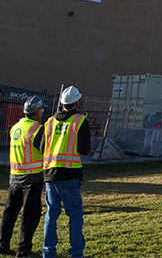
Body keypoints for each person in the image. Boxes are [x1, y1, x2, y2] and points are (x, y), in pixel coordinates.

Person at [42, 86, 90, 258]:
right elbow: (84, 149)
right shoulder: (80, 120)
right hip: (70, 175)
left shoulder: (49, 122)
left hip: (50, 174)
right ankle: (76, 253)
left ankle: (48, 252)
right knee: (75, 215)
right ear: (77, 103)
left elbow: (42, 147)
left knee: (51, 214)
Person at [1, 96, 46, 258]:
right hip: (32, 178)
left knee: (10, 212)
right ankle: (23, 250)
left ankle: (2, 245)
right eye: (41, 110)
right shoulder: (37, 129)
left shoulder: (16, 127)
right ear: (37, 112)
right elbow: (45, 151)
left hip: (15, 175)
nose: (42, 113)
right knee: (29, 215)